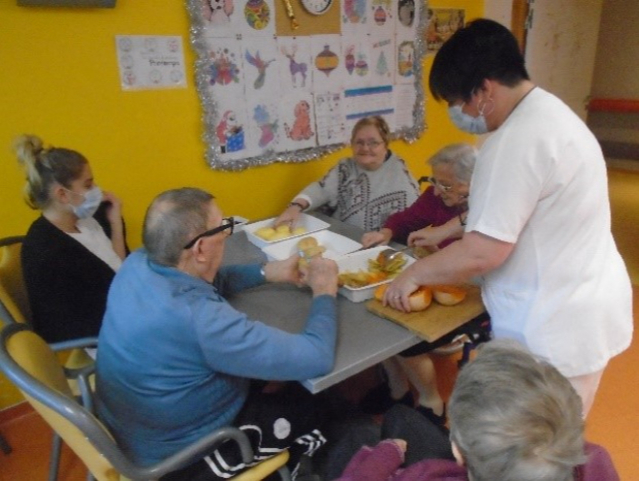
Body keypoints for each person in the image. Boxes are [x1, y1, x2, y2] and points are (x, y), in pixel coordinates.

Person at [383, 18, 633, 416]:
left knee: (538, 448)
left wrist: (414, 273)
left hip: (554, 325)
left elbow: (483, 253)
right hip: (584, 304)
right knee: (557, 437)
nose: (459, 113)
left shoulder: (515, 142)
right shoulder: (552, 115)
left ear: (484, 89)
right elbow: (518, 211)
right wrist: (446, 230)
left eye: (458, 102)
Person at [95, 187, 339, 480]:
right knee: (325, 403)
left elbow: (206, 282)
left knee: (275, 379)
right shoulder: (201, 319)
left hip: (128, 425)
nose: (227, 233)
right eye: (223, 227)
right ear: (199, 249)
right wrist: (325, 292)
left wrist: (269, 271)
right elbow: (317, 357)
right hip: (177, 457)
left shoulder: (138, 263)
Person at [327, 339, 620, 481]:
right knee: (400, 418)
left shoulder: (423, 474)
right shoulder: (595, 460)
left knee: (359, 434)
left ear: (458, 452)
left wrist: (384, 454)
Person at [357, 143, 479, 427]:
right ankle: (398, 390)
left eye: (446, 185)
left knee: (402, 335)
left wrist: (438, 252)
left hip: (470, 291)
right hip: (434, 278)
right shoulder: (436, 197)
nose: (437, 191)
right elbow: (407, 219)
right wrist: (386, 231)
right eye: (434, 181)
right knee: (381, 315)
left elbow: (473, 261)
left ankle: (431, 402)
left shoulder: (489, 209)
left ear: (472, 184)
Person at [15, 134, 126, 343]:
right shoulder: (45, 250)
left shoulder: (93, 220)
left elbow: (119, 270)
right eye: (88, 185)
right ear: (63, 195)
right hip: (96, 339)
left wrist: (116, 225)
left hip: (119, 319)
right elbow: (69, 325)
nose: (96, 191)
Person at [275, 116, 420, 232]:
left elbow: (412, 219)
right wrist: (295, 207)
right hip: (341, 239)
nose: (365, 148)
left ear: (385, 144)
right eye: (359, 142)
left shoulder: (400, 175)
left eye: (373, 143)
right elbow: (321, 189)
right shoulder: (345, 167)